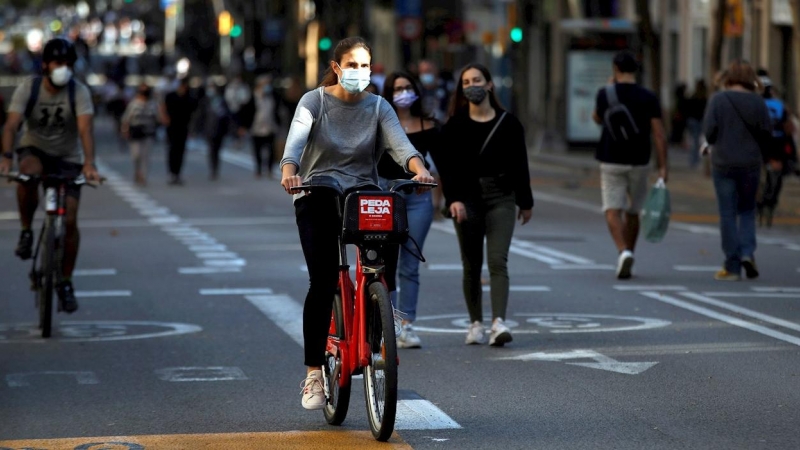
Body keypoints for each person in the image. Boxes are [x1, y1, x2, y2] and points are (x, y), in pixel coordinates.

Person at [280, 37, 433, 410]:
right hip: (316, 193)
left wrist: (420, 169)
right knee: (323, 280)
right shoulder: (313, 102)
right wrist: (290, 172)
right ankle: (314, 372)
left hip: (362, 196)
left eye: (365, 66)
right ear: (336, 67)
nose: (359, 73)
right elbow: (294, 145)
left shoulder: (379, 106)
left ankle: (380, 308)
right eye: (352, 65)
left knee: (382, 253)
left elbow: (402, 146)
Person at [432, 63, 534, 347]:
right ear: (462, 90)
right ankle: (475, 322)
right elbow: (447, 170)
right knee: (471, 264)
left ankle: (498, 322)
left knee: (498, 261)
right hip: (467, 200)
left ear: (489, 85)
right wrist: (453, 201)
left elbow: (520, 166)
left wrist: (525, 202)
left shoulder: (509, 123)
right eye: (466, 82)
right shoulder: (454, 126)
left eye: (477, 80)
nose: (472, 86)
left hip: (501, 197)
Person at [0, 38, 100, 313]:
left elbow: (86, 129)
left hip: (68, 158)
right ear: (45, 65)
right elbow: (11, 126)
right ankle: (25, 232)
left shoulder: (78, 92)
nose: (63, 69)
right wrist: (7, 157)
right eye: (58, 64)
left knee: (69, 219)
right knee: (28, 174)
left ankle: (66, 282)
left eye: (68, 65)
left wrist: (89, 164)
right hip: (35, 150)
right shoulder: (28, 89)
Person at [591, 50, 668, 279]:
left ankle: (623, 251)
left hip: (611, 159)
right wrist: (663, 166)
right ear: (635, 70)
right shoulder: (648, 96)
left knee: (612, 210)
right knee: (634, 210)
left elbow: (597, 118)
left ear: (616, 70)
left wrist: (609, 88)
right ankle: (629, 254)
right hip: (640, 161)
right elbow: (659, 134)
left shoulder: (605, 94)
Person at [378, 71, 439, 349]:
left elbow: (440, 164)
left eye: (407, 87)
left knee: (410, 264)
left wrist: (438, 191)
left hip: (416, 198)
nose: (403, 92)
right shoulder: (378, 123)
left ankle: (407, 325)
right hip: (384, 196)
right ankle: (385, 325)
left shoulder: (429, 125)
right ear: (388, 94)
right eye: (397, 88)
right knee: (383, 264)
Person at [703, 60, 772, 281]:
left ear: (728, 77)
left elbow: (709, 132)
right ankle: (747, 253)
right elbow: (766, 134)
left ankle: (732, 266)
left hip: (723, 163)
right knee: (747, 210)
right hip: (750, 163)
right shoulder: (758, 102)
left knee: (727, 213)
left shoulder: (718, 100)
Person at [756, 74, 796, 227]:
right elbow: (788, 127)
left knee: (758, 176)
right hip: (776, 145)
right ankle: (770, 202)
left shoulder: (755, 104)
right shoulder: (779, 105)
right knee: (775, 177)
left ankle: (760, 202)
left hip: (761, 144)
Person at [239, 74, 282, 178]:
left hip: (270, 127)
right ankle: (258, 169)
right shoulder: (253, 97)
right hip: (256, 128)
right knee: (257, 150)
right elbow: (246, 112)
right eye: (264, 84)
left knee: (271, 150)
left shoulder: (273, 97)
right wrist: (243, 126)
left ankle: (269, 170)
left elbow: (278, 110)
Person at [120, 83, 159, 185]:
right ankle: (137, 171)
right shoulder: (134, 104)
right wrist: (125, 130)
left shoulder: (153, 104)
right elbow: (126, 119)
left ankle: (143, 176)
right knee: (136, 155)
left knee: (146, 156)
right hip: (136, 133)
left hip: (148, 132)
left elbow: (157, 118)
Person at [161, 77, 197, 185]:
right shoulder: (171, 96)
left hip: (183, 128)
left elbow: (193, 112)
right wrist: (164, 118)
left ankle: (177, 173)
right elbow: (163, 107)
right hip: (172, 127)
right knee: (172, 150)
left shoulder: (189, 98)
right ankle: (172, 173)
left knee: (180, 152)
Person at [686, 79, 709, 169]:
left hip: (694, 120)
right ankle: (695, 160)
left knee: (695, 141)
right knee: (698, 141)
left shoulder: (694, 96)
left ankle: (694, 160)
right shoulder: (703, 98)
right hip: (698, 120)